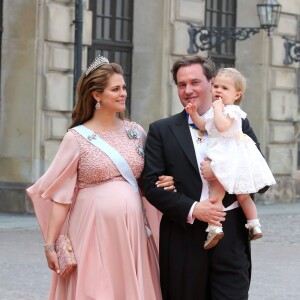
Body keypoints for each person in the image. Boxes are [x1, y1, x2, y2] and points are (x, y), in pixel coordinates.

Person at [26, 55, 175, 300]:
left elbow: (149, 180)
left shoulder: (135, 132)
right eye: (115, 89)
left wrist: (168, 181)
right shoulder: (76, 138)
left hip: (132, 232)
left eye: (124, 87)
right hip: (91, 229)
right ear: (96, 95)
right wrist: (50, 245)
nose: (123, 93)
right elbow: (61, 199)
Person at [142, 55, 270, 300]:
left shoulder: (237, 122)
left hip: (231, 235)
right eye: (181, 84)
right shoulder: (161, 130)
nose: (188, 90)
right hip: (182, 239)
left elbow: (259, 178)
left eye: (195, 82)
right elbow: (150, 185)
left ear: (212, 84)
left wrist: (222, 170)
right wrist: (193, 208)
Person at [185, 67, 276, 250]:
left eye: (225, 88)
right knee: (215, 195)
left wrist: (218, 109)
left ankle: (253, 223)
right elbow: (205, 126)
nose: (218, 90)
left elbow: (222, 126)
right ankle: (215, 228)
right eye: (216, 86)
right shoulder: (213, 111)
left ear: (236, 95)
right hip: (219, 154)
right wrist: (194, 113)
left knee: (243, 196)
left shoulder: (233, 111)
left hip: (230, 157)